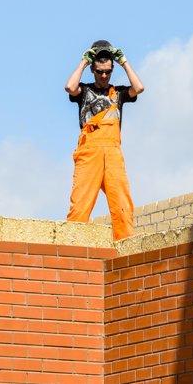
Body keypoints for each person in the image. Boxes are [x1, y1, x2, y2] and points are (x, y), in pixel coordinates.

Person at [64, 40, 145, 241]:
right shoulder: (83, 91)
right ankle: (72, 248)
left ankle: (125, 248)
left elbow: (139, 87)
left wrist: (123, 61)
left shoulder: (118, 93)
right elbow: (69, 86)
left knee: (122, 205)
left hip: (113, 153)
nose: (103, 75)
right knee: (79, 206)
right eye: (99, 71)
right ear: (93, 69)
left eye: (108, 71)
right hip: (89, 153)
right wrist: (84, 61)